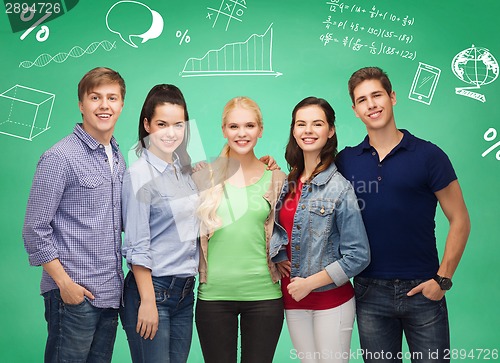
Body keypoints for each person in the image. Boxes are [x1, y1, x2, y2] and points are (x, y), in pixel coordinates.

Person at [336, 66, 471, 363]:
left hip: (424, 289)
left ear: (392, 97)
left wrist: (442, 280)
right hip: (369, 292)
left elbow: (460, 218)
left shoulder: (429, 156)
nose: (371, 104)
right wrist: (272, 169)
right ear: (355, 110)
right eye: (362, 100)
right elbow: (308, 180)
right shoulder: (345, 161)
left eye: (377, 95)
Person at [22, 67, 126, 363]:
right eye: (95, 97)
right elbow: (34, 229)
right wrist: (65, 285)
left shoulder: (117, 158)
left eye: (112, 98)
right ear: (81, 104)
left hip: (109, 296)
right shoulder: (59, 157)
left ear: (121, 105)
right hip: (73, 296)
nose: (104, 105)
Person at [270, 96, 370, 363]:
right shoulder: (287, 182)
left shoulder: (340, 188)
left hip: (331, 302)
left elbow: (358, 255)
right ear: (293, 130)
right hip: (293, 300)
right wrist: (279, 258)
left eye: (317, 124)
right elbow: (279, 230)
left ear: (331, 130)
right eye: (301, 124)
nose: (308, 130)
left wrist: (309, 284)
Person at [193, 96, 286, 363]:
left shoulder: (278, 178)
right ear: (224, 130)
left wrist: (285, 259)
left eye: (249, 126)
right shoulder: (204, 178)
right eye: (234, 127)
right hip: (213, 298)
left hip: (264, 297)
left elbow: (290, 228)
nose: (242, 133)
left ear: (260, 130)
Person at [119, 84, 199, 363]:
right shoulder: (139, 174)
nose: (171, 132)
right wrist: (148, 302)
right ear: (147, 124)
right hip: (152, 291)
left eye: (178, 124)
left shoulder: (184, 172)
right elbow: (137, 244)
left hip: (184, 293)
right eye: (162, 124)